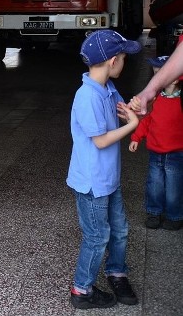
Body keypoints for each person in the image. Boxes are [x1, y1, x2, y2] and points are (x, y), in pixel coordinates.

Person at [67, 29, 141, 309]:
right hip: (92, 182)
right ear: (112, 61)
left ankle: (116, 271)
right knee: (97, 236)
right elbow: (100, 141)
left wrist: (134, 110)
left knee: (119, 229)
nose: (125, 62)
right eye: (123, 57)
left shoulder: (108, 88)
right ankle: (81, 290)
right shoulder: (87, 96)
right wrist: (132, 125)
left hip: (109, 178)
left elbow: (122, 110)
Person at [128, 55, 183, 231]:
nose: (157, 77)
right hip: (155, 152)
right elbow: (146, 120)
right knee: (154, 183)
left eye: (162, 73)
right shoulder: (154, 99)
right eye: (156, 73)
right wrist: (136, 137)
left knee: (174, 186)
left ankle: (174, 215)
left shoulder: (180, 101)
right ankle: (154, 212)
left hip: (176, 153)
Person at [131, 34, 183, 114]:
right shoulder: (154, 99)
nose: (155, 78)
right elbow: (146, 120)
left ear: (175, 79)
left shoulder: (177, 104)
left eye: (158, 74)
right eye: (154, 73)